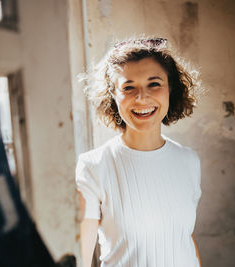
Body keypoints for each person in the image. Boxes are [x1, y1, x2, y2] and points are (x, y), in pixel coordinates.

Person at [75, 36, 202, 267]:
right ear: (113, 94)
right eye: (128, 87)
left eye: (154, 84)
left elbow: (185, 239)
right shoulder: (93, 166)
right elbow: (81, 258)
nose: (142, 97)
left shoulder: (189, 160)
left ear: (170, 89)